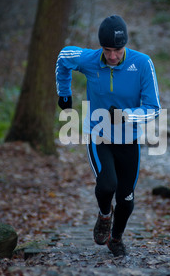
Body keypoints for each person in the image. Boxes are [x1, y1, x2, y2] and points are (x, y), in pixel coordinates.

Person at [55, 15, 161, 257]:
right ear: (100, 47)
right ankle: (104, 215)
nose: (112, 56)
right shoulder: (89, 60)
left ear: (126, 46)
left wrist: (126, 115)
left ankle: (116, 238)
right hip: (99, 136)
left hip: (129, 140)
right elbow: (63, 57)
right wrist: (64, 93)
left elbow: (153, 108)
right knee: (106, 185)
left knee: (126, 200)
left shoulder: (142, 64)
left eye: (118, 50)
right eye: (107, 50)